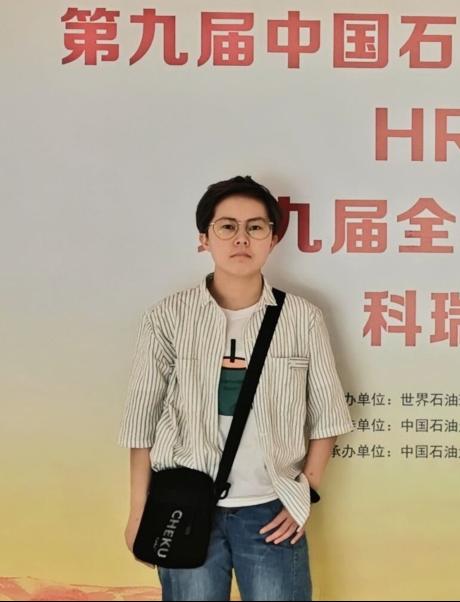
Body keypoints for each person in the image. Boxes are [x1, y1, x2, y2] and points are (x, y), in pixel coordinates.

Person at [118, 175, 354, 601]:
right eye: (227, 226)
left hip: (270, 509)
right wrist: (139, 512)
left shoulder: (302, 318)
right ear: (204, 238)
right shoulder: (168, 317)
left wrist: (303, 494)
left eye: (255, 227)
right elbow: (141, 423)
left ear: (273, 239)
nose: (241, 238)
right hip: (183, 506)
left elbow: (328, 416)